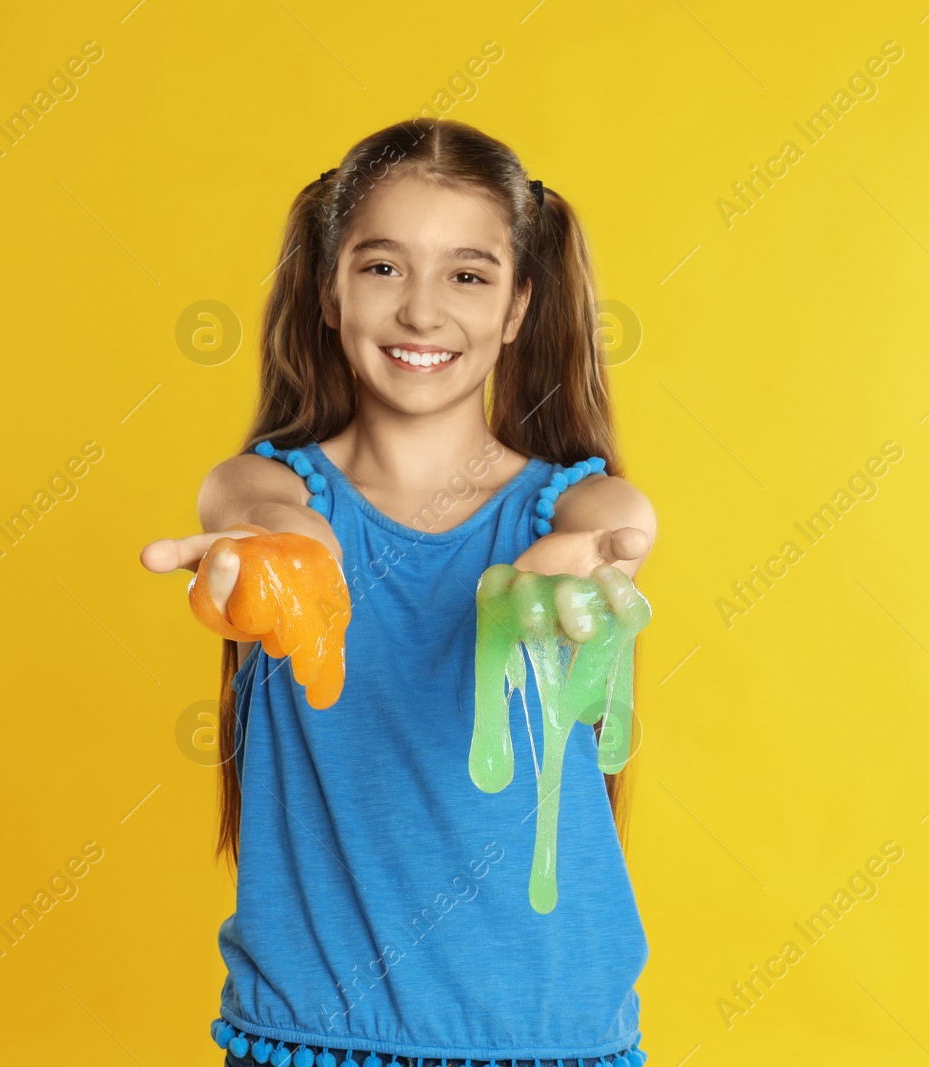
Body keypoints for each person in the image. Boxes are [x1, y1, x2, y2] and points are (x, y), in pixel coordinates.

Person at [141, 116, 657, 1067]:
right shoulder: (270, 492)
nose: (422, 312)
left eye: (468, 274)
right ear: (329, 294)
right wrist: (279, 560)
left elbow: (618, 525)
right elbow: (261, 516)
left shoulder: (568, 506)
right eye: (382, 268)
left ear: (517, 309)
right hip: (314, 1031)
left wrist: (578, 572)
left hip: (552, 1034)